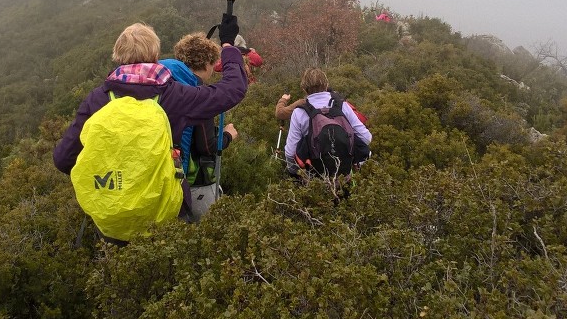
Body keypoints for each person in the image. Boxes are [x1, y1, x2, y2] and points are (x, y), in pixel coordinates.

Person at [54, 19, 246, 236]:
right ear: (155, 56)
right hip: (164, 216)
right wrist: (228, 46)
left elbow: (63, 160)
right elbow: (233, 89)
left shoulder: (97, 99)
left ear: (117, 56)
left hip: (113, 219)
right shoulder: (174, 95)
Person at [159, 32, 239, 184]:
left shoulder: (165, 84)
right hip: (189, 178)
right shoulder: (198, 92)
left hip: (158, 170)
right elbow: (207, 147)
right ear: (207, 63)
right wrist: (228, 135)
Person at [282, 68, 372, 174]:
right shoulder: (342, 106)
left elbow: (290, 152)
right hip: (345, 176)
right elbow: (366, 138)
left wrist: (294, 173)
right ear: (326, 85)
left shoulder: (299, 113)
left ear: (304, 88)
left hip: (314, 177)